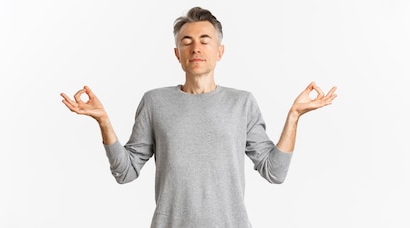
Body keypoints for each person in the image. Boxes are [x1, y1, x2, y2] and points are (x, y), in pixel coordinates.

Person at [60, 6, 337, 228]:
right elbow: (125, 172)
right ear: (177, 54)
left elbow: (274, 172)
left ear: (220, 52)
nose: (195, 48)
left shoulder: (242, 103)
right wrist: (104, 121)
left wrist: (294, 116)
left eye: (205, 41)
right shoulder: (155, 102)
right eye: (186, 42)